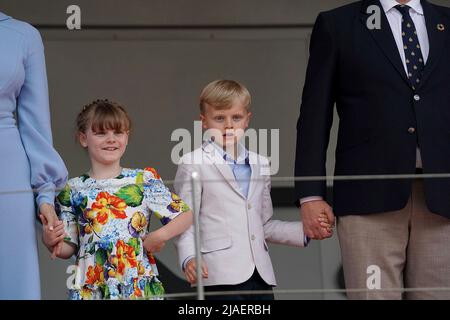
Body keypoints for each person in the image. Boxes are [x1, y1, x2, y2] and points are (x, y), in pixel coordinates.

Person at [294, 0, 450, 299]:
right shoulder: (339, 24)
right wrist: (311, 194)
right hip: (369, 197)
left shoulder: (446, 20)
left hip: (442, 199)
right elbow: (315, 115)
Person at [174, 80, 331, 300]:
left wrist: (306, 230)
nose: (228, 125)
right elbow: (184, 221)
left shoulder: (260, 163)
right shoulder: (193, 162)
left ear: (247, 119)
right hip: (218, 274)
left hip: (261, 275)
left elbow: (263, 224)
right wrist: (189, 257)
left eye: (236, 117)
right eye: (219, 118)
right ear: (204, 122)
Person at [41, 99, 193, 299]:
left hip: (137, 287)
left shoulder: (142, 180)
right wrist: (50, 240)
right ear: (83, 138)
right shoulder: (73, 188)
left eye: (118, 132)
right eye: (101, 133)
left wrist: (160, 235)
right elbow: (68, 247)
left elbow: (186, 215)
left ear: (127, 137)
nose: (111, 139)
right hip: (92, 288)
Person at [0, 11, 68, 299]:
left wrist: (45, 195)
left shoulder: (23, 35)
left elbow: (36, 125)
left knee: (12, 276)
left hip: (6, 169)